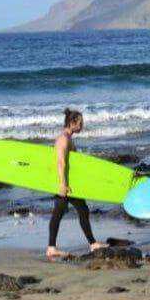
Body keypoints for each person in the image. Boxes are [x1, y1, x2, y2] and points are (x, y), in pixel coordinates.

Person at [45, 108, 108, 260]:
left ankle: (91, 243)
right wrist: (62, 184)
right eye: (80, 123)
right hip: (65, 184)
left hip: (70, 183)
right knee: (60, 213)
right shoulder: (64, 139)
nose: (82, 125)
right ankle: (52, 248)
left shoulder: (68, 138)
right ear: (72, 123)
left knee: (80, 210)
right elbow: (60, 162)